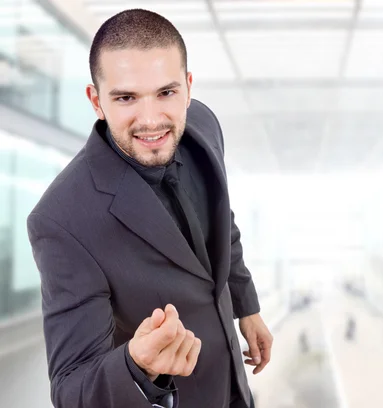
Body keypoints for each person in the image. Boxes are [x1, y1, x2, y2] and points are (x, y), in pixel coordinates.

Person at [26, 8, 273, 408]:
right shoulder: (61, 220)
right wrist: (135, 365)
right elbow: (71, 389)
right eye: (126, 98)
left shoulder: (204, 125)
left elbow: (221, 223)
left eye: (166, 92)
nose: (151, 120)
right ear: (96, 101)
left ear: (189, 88)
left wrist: (247, 307)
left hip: (235, 386)